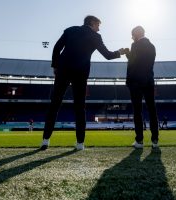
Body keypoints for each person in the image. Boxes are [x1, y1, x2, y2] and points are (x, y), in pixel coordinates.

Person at [40, 15, 126, 150]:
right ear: (92, 23)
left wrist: (55, 66)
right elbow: (108, 55)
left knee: (54, 104)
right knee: (80, 108)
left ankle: (45, 140)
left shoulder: (70, 30)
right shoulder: (95, 37)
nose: (98, 29)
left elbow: (56, 48)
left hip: (63, 70)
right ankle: (80, 143)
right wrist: (119, 52)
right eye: (98, 25)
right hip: (80, 73)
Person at [124, 26, 159, 149]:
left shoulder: (135, 45)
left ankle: (139, 141)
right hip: (148, 81)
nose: (132, 37)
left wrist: (127, 53)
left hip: (136, 82)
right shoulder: (152, 46)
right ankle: (155, 139)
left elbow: (133, 62)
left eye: (132, 35)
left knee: (137, 111)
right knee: (152, 110)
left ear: (137, 34)